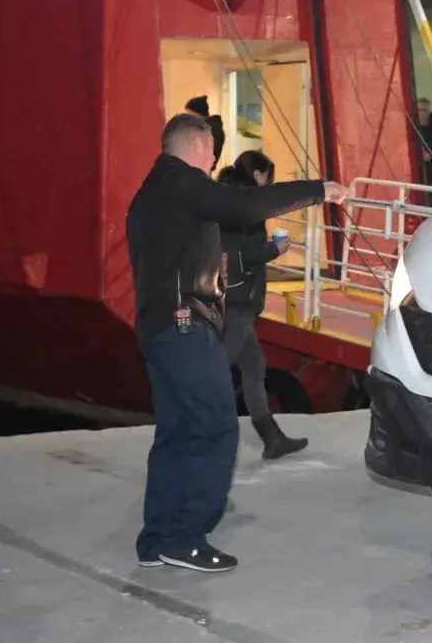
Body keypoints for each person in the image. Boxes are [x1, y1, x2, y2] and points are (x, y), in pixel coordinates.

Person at [126, 112, 346, 573]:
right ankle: (186, 538)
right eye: (211, 147)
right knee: (216, 426)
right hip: (186, 325)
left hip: (159, 328)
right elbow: (245, 207)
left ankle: (158, 539)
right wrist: (318, 190)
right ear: (195, 146)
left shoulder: (150, 194)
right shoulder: (183, 183)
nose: (214, 157)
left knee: (175, 434)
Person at [217, 150, 307, 460]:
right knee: (218, 367)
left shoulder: (229, 200)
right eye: (268, 178)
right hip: (240, 297)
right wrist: (274, 249)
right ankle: (197, 432)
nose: (268, 184)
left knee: (254, 365)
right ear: (257, 175)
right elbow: (241, 254)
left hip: (237, 295)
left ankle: (272, 438)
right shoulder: (245, 207)